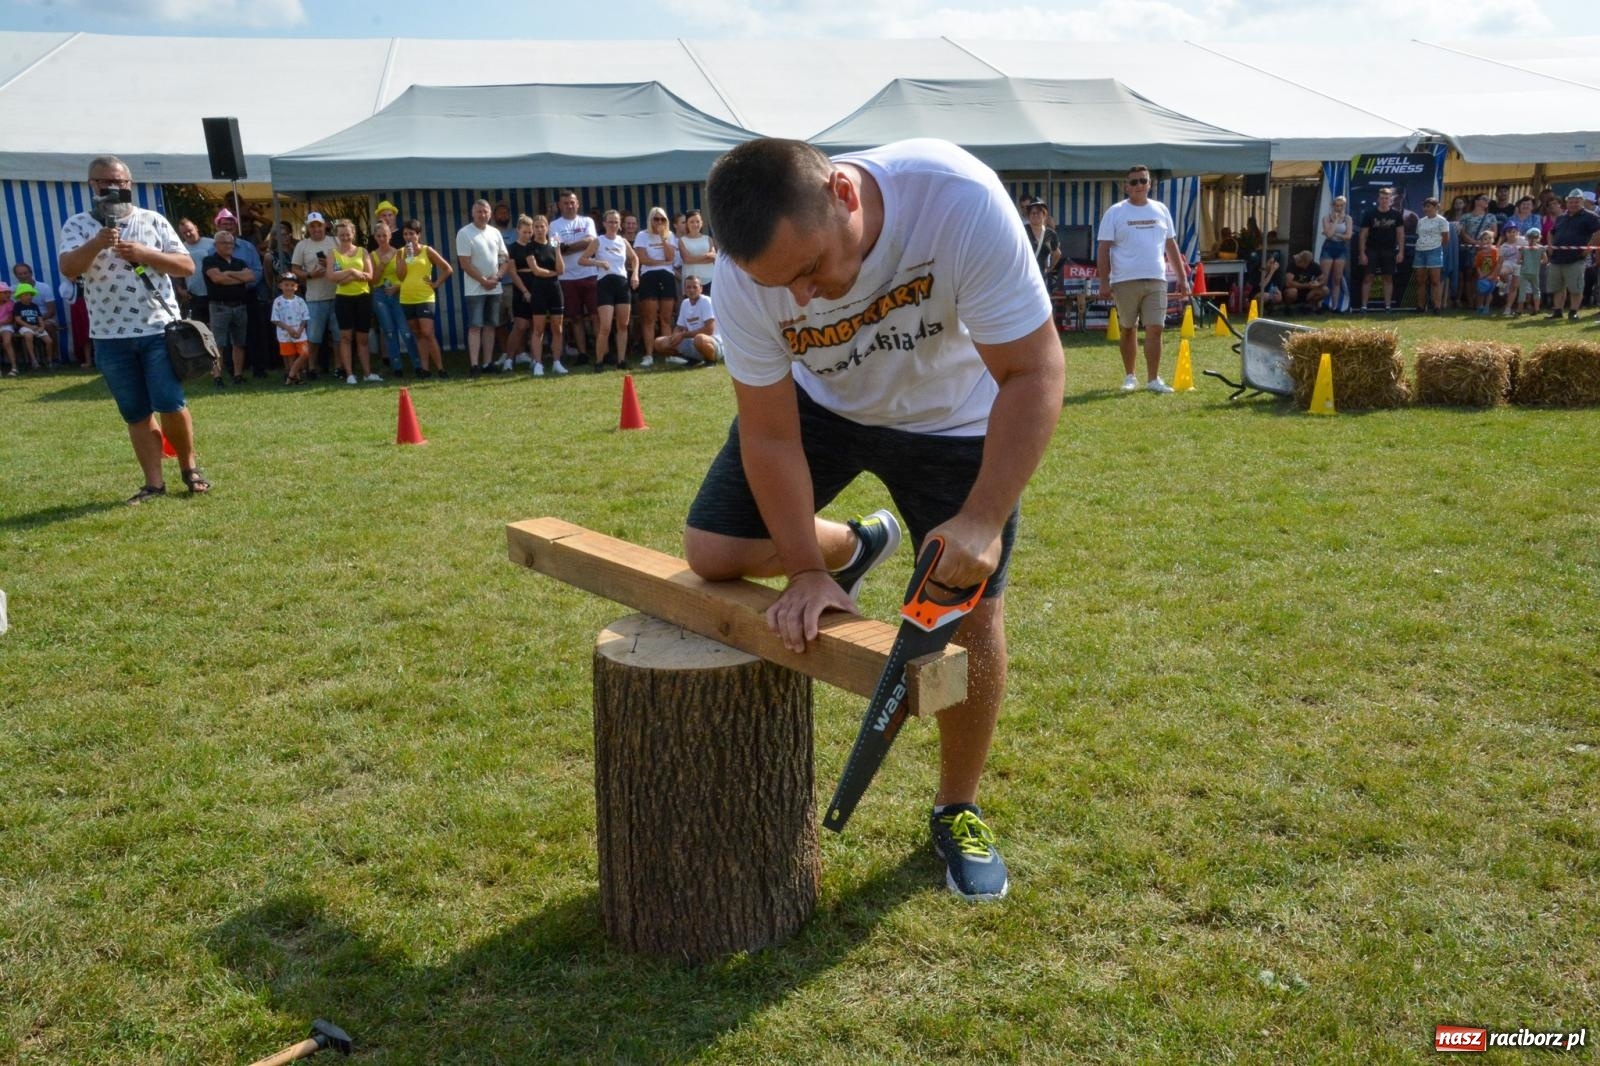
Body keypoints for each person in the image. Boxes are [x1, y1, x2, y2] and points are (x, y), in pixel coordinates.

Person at [682, 137, 1063, 902]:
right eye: (776, 284)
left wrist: (983, 519)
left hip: (952, 422)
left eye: (811, 269)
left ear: (845, 196)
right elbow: (768, 433)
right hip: (825, 412)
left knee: (971, 617)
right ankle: (854, 547)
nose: (801, 298)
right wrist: (806, 570)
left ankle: (957, 806)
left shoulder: (957, 202)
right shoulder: (746, 276)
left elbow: (1035, 369)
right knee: (713, 548)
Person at [57, 154, 208, 503]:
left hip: (157, 329)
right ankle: (153, 483)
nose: (111, 187)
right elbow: (68, 268)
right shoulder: (78, 225)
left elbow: (186, 266)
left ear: (129, 184)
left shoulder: (152, 220)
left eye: (118, 182)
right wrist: (97, 243)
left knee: (170, 403)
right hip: (109, 336)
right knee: (136, 412)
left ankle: (189, 467)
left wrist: (144, 253)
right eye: (102, 181)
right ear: (91, 185)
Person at [1097, 164, 1190, 393]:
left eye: (1143, 180)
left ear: (1150, 184)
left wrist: (1182, 277)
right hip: (1124, 279)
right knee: (1128, 328)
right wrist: (1104, 281)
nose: (1139, 185)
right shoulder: (1115, 212)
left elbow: (1171, 244)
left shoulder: (1160, 210)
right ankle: (1130, 376)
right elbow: (1103, 248)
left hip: (1157, 279)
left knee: (1156, 328)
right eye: (1134, 181)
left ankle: (1153, 379)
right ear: (1126, 187)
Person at [580, 209, 639, 373]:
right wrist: (598, 263)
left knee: (623, 324)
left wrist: (635, 274)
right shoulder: (599, 241)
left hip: (621, 283)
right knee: (605, 326)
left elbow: (634, 258)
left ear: (619, 224)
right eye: (610, 222)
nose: (613, 225)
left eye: (616, 222)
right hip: (605, 283)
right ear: (604, 223)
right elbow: (582, 259)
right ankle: (599, 361)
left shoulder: (622, 241)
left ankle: (621, 360)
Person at [395, 218, 454, 377]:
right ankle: (425, 369)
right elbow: (400, 277)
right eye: (405, 234)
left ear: (418, 235)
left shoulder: (427, 250)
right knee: (418, 333)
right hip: (407, 298)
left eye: (412, 234)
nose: (408, 237)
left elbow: (448, 269)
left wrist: (436, 283)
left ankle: (441, 368)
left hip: (425, 296)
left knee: (427, 332)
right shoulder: (400, 252)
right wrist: (405, 259)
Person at [456, 199, 509, 375]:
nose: (482, 214)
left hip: (494, 286)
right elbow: (464, 263)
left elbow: (504, 258)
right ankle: (474, 365)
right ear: (473, 213)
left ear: (490, 214)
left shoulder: (495, 232)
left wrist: (498, 276)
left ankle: (487, 363)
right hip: (475, 288)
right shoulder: (464, 233)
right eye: (479, 211)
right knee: (475, 326)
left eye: (485, 211)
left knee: (490, 326)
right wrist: (483, 280)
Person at [330, 218, 380, 384]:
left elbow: (369, 276)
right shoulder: (333, 253)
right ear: (337, 235)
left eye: (348, 234)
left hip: (362, 297)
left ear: (353, 234)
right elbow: (331, 276)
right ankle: (350, 374)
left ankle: (367, 373)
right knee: (345, 337)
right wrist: (352, 271)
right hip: (343, 299)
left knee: (363, 338)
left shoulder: (362, 251)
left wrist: (346, 276)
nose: (345, 237)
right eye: (342, 235)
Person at [550, 190, 598, 363]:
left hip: (589, 273)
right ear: (559, 205)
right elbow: (555, 247)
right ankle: (583, 353)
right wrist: (576, 245)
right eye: (565, 203)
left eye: (572, 202)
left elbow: (591, 241)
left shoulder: (587, 221)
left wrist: (567, 247)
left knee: (595, 315)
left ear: (577, 203)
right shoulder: (554, 225)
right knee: (575, 317)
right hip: (567, 277)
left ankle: (602, 352)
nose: (569, 206)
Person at [290, 212, 340, 378]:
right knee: (313, 337)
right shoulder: (302, 245)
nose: (316, 229)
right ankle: (311, 368)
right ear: (308, 228)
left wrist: (331, 265)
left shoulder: (336, 241)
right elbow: (295, 269)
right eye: (312, 226)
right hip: (315, 297)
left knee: (338, 335)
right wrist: (310, 275)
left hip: (337, 294)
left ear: (325, 225)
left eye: (319, 225)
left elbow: (346, 262)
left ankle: (339, 367)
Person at [202, 230, 255, 384]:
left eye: (230, 243)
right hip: (219, 307)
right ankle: (217, 376)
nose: (228, 245)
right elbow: (217, 279)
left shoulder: (240, 262)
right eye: (224, 243)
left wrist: (229, 273)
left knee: (239, 343)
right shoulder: (209, 261)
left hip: (240, 306)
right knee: (218, 344)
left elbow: (250, 277)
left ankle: (238, 375)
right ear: (216, 244)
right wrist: (239, 277)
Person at [369, 221, 418, 378]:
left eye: (385, 235)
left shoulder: (399, 252)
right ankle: (397, 366)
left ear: (390, 235)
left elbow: (404, 275)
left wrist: (397, 287)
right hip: (380, 294)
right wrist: (382, 264)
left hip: (397, 293)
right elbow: (373, 280)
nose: (382, 238)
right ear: (375, 237)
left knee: (405, 331)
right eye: (379, 236)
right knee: (389, 332)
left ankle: (417, 364)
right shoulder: (372, 255)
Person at [521, 214, 566, 377]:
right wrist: (553, 273)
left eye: (542, 226)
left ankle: (556, 362)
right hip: (539, 289)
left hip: (555, 288)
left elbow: (561, 269)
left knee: (557, 328)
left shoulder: (553, 245)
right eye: (536, 227)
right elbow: (536, 271)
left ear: (547, 228)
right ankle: (538, 363)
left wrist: (558, 248)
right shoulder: (530, 247)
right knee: (538, 328)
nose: (539, 230)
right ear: (533, 229)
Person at [1546, 189, 1600, 321]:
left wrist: (1589, 248)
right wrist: (1550, 246)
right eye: (1571, 202)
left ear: (1582, 202)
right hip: (1557, 258)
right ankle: (1557, 311)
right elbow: (1551, 232)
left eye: (1576, 202)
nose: (1573, 204)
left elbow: (1598, 231)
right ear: (1567, 203)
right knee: (1557, 286)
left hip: (1576, 258)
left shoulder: (1590, 216)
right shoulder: (1561, 218)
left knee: (1576, 287)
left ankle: (1573, 311)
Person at [634, 207, 678, 369]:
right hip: (648, 277)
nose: (659, 222)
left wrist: (662, 238)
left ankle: (667, 354)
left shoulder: (670, 236)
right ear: (650, 220)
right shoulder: (642, 235)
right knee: (649, 318)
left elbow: (671, 257)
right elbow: (643, 259)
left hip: (666, 276)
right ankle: (649, 354)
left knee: (666, 318)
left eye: (662, 219)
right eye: (656, 219)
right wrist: (662, 262)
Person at [653, 273, 720, 367]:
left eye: (694, 287)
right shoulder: (685, 303)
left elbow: (709, 330)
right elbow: (679, 327)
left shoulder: (706, 301)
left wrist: (683, 335)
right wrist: (675, 336)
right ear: (684, 289)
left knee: (699, 338)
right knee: (659, 342)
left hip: (712, 341)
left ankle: (711, 361)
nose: (691, 290)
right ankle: (693, 359)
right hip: (693, 341)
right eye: (688, 287)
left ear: (701, 289)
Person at [503, 214, 540, 371]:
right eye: (525, 232)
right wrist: (524, 291)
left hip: (537, 285)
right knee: (520, 325)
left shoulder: (535, 246)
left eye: (530, 232)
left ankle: (535, 358)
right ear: (518, 230)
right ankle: (509, 359)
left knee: (536, 325)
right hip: (520, 287)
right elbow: (512, 273)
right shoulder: (511, 248)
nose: (528, 235)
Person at [1357, 187, 1404, 311]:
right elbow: (1363, 235)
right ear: (1378, 199)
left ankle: (1387, 306)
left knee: (1388, 277)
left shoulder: (1396, 215)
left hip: (1389, 250)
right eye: (1382, 198)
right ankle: (1363, 306)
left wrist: (1401, 252)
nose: (1384, 200)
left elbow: (1400, 234)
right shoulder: (1370, 214)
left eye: (1387, 198)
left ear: (1390, 200)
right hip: (1372, 249)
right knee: (1368, 277)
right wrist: (1362, 253)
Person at [9, 263, 60, 365]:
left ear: (31, 273)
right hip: (23, 322)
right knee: (9, 331)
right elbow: (12, 311)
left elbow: (51, 310)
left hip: (43, 318)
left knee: (50, 326)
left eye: (25, 273)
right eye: (20, 274)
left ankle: (53, 359)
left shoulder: (43, 287)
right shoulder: (13, 290)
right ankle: (23, 361)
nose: (23, 276)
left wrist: (38, 321)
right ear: (16, 276)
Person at [1412, 197, 1450, 314]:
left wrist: (1437, 247)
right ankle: (1420, 306)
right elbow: (1419, 235)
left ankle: (1437, 307)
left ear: (1435, 207)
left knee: (1435, 280)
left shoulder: (1442, 221)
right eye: (1425, 206)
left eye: (1428, 206)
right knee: (1420, 280)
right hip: (1420, 251)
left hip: (1434, 251)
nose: (1426, 209)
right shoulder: (1421, 221)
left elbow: (1446, 238)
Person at [271, 272, 311, 384]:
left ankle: (290, 375)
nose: (289, 287)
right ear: (280, 286)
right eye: (286, 285)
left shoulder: (300, 301)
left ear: (296, 287)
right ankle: (296, 378)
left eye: (292, 285)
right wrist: (288, 328)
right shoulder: (278, 301)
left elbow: (305, 318)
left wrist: (299, 330)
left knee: (304, 353)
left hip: (300, 333)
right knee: (290, 356)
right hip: (285, 334)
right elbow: (275, 319)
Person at [176, 218, 214, 324]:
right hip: (193, 295)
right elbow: (178, 271)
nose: (188, 234)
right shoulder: (180, 248)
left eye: (190, 230)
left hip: (213, 293)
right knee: (201, 328)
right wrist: (180, 289)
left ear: (196, 228)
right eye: (184, 232)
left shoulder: (212, 243)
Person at [1319, 195, 1354, 311]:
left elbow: (1348, 236)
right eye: (1336, 206)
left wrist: (1336, 234)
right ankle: (1319, 304)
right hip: (1329, 247)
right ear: (1333, 206)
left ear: (1344, 206)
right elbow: (1329, 235)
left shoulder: (1348, 218)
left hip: (1341, 248)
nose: (1338, 208)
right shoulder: (1326, 218)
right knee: (1324, 278)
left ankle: (1335, 306)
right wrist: (1336, 221)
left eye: (1341, 206)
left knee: (1337, 278)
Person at [1024, 199, 1061, 295]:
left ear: (1044, 215)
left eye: (1039, 213)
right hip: (1023, 276)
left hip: (1041, 276)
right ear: (1028, 216)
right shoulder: (1022, 231)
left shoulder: (1050, 234)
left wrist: (1050, 268)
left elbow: (1057, 253)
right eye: (1032, 213)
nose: (1035, 215)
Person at [679, 208, 717, 295]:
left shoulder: (708, 239)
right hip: (691, 281)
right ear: (687, 224)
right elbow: (687, 259)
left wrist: (694, 259)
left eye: (697, 221)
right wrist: (706, 255)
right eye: (692, 222)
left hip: (709, 278)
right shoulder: (682, 240)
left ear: (701, 223)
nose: (695, 224)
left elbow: (713, 257)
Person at [1517, 227, 1546, 315]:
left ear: (1527, 237)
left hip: (1524, 272)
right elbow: (1545, 260)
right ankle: (1537, 309)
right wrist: (1537, 262)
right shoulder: (1541, 248)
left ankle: (1519, 310)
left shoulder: (1524, 248)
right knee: (1536, 290)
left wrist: (1524, 261)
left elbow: (1518, 261)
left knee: (1522, 291)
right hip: (1535, 272)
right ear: (1539, 238)